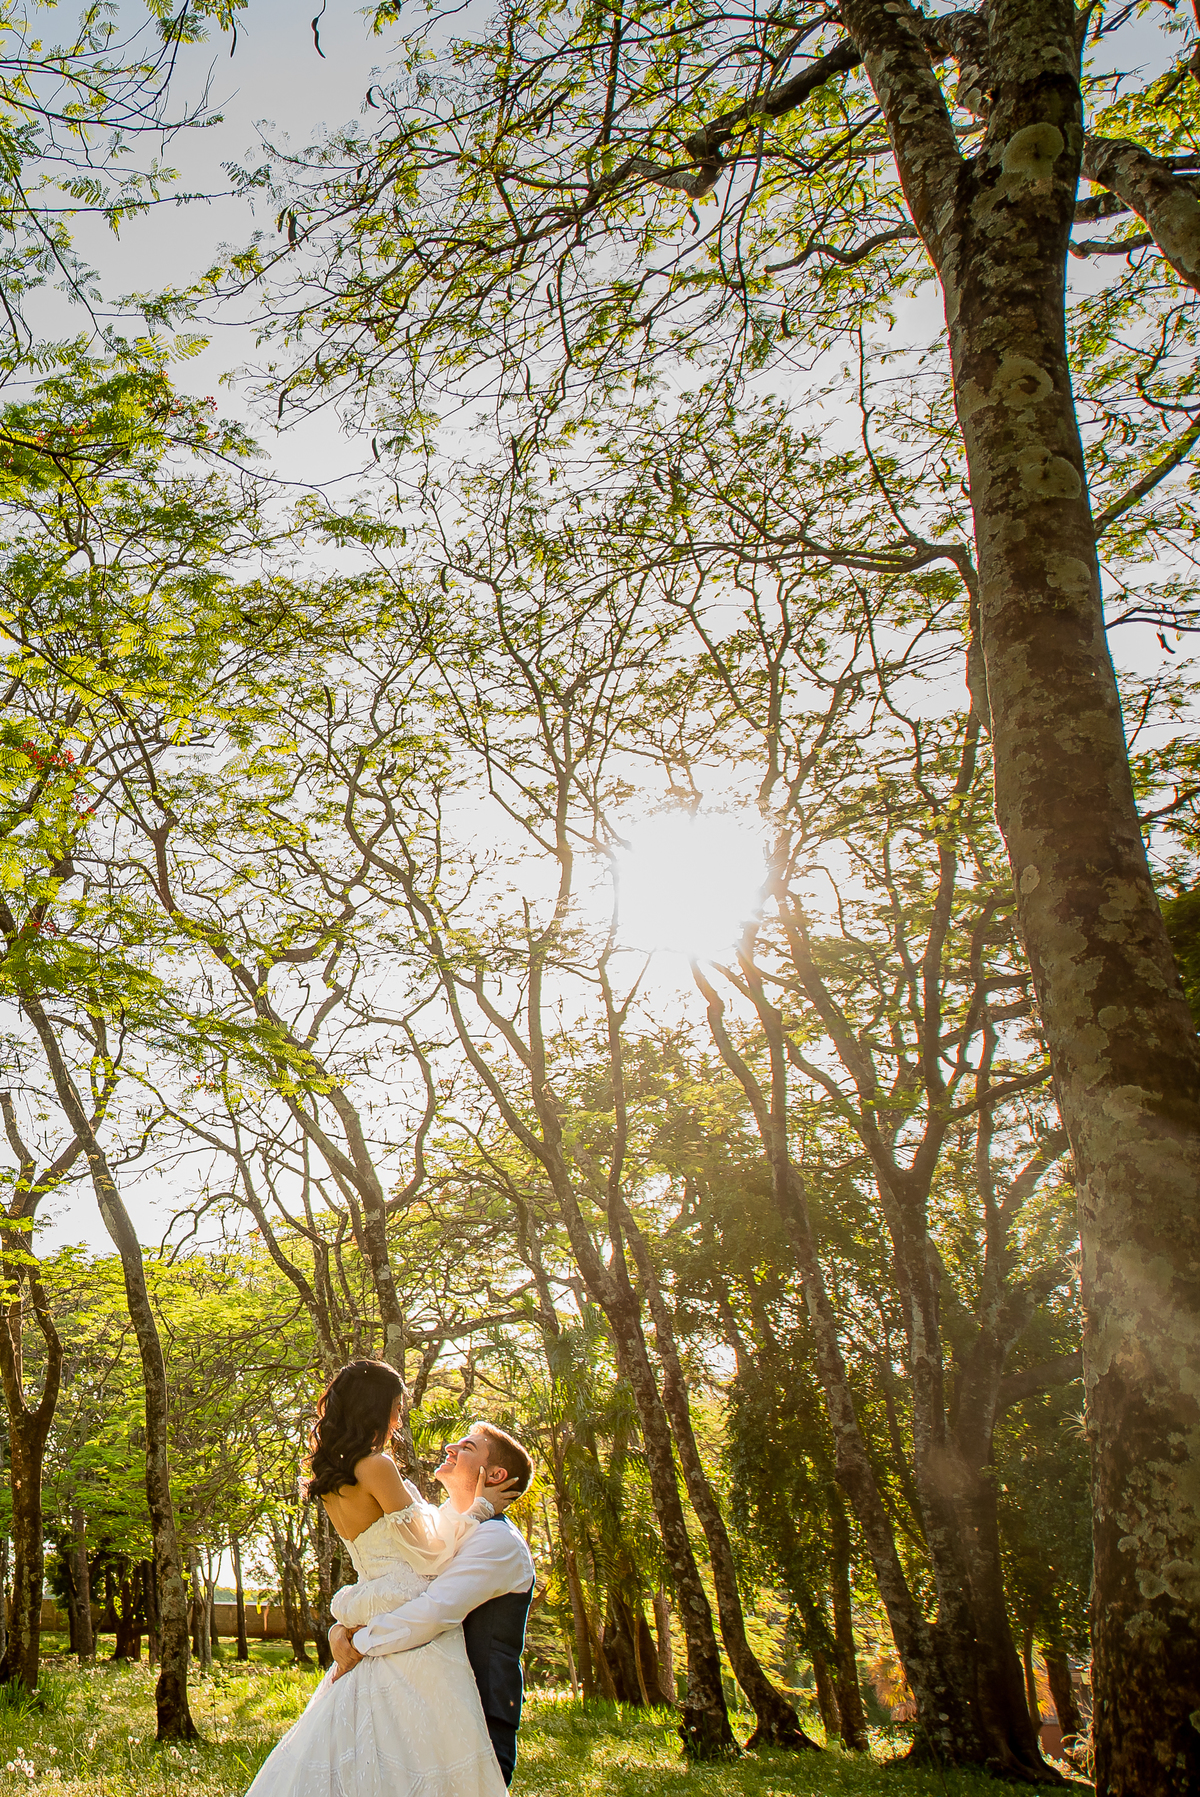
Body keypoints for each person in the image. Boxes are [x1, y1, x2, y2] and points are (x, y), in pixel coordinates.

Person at [243, 1360, 530, 1797]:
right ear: (377, 1408)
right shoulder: (377, 1466)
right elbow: (432, 1555)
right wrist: (478, 1509)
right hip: (409, 1626)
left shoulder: (336, 1477)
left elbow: (418, 1552)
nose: (399, 1420)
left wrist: (347, 1634)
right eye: (397, 1407)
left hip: (382, 1611)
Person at [329, 1420, 536, 1788]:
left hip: (476, 1717)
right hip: (417, 1710)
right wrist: (340, 1630)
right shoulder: (442, 1530)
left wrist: (356, 1643)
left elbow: (433, 1610)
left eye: (467, 1448)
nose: (449, 1449)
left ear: (496, 1473)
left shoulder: (497, 1542)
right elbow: (393, 1587)